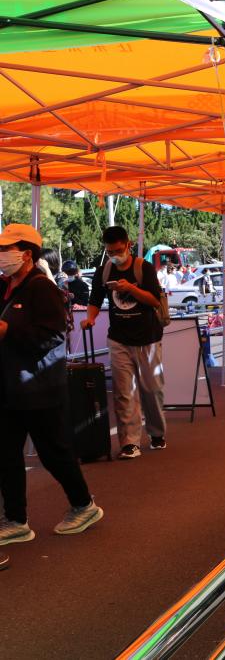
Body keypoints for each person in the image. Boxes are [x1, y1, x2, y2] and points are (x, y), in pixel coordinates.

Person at [0, 223, 104, 546]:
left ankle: (84, 505)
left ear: (26, 254)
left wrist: (8, 331)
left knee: (53, 453)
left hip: (40, 389)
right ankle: (15, 520)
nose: (1, 255)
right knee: (6, 454)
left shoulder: (41, 288)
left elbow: (54, 336)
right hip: (10, 387)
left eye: (6, 250)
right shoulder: (6, 286)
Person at [82, 226, 167, 460]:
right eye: (110, 252)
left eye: (118, 250)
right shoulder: (104, 271)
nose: (114, 255)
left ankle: (157, 433)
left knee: (152, 390)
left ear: (128, 245)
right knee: (123, 392)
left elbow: (154, 300)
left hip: (148, 338)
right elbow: (95, 299)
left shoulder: (143, 268)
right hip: (118, 339)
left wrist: (130, 288)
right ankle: (129, 442)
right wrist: (90, 318)